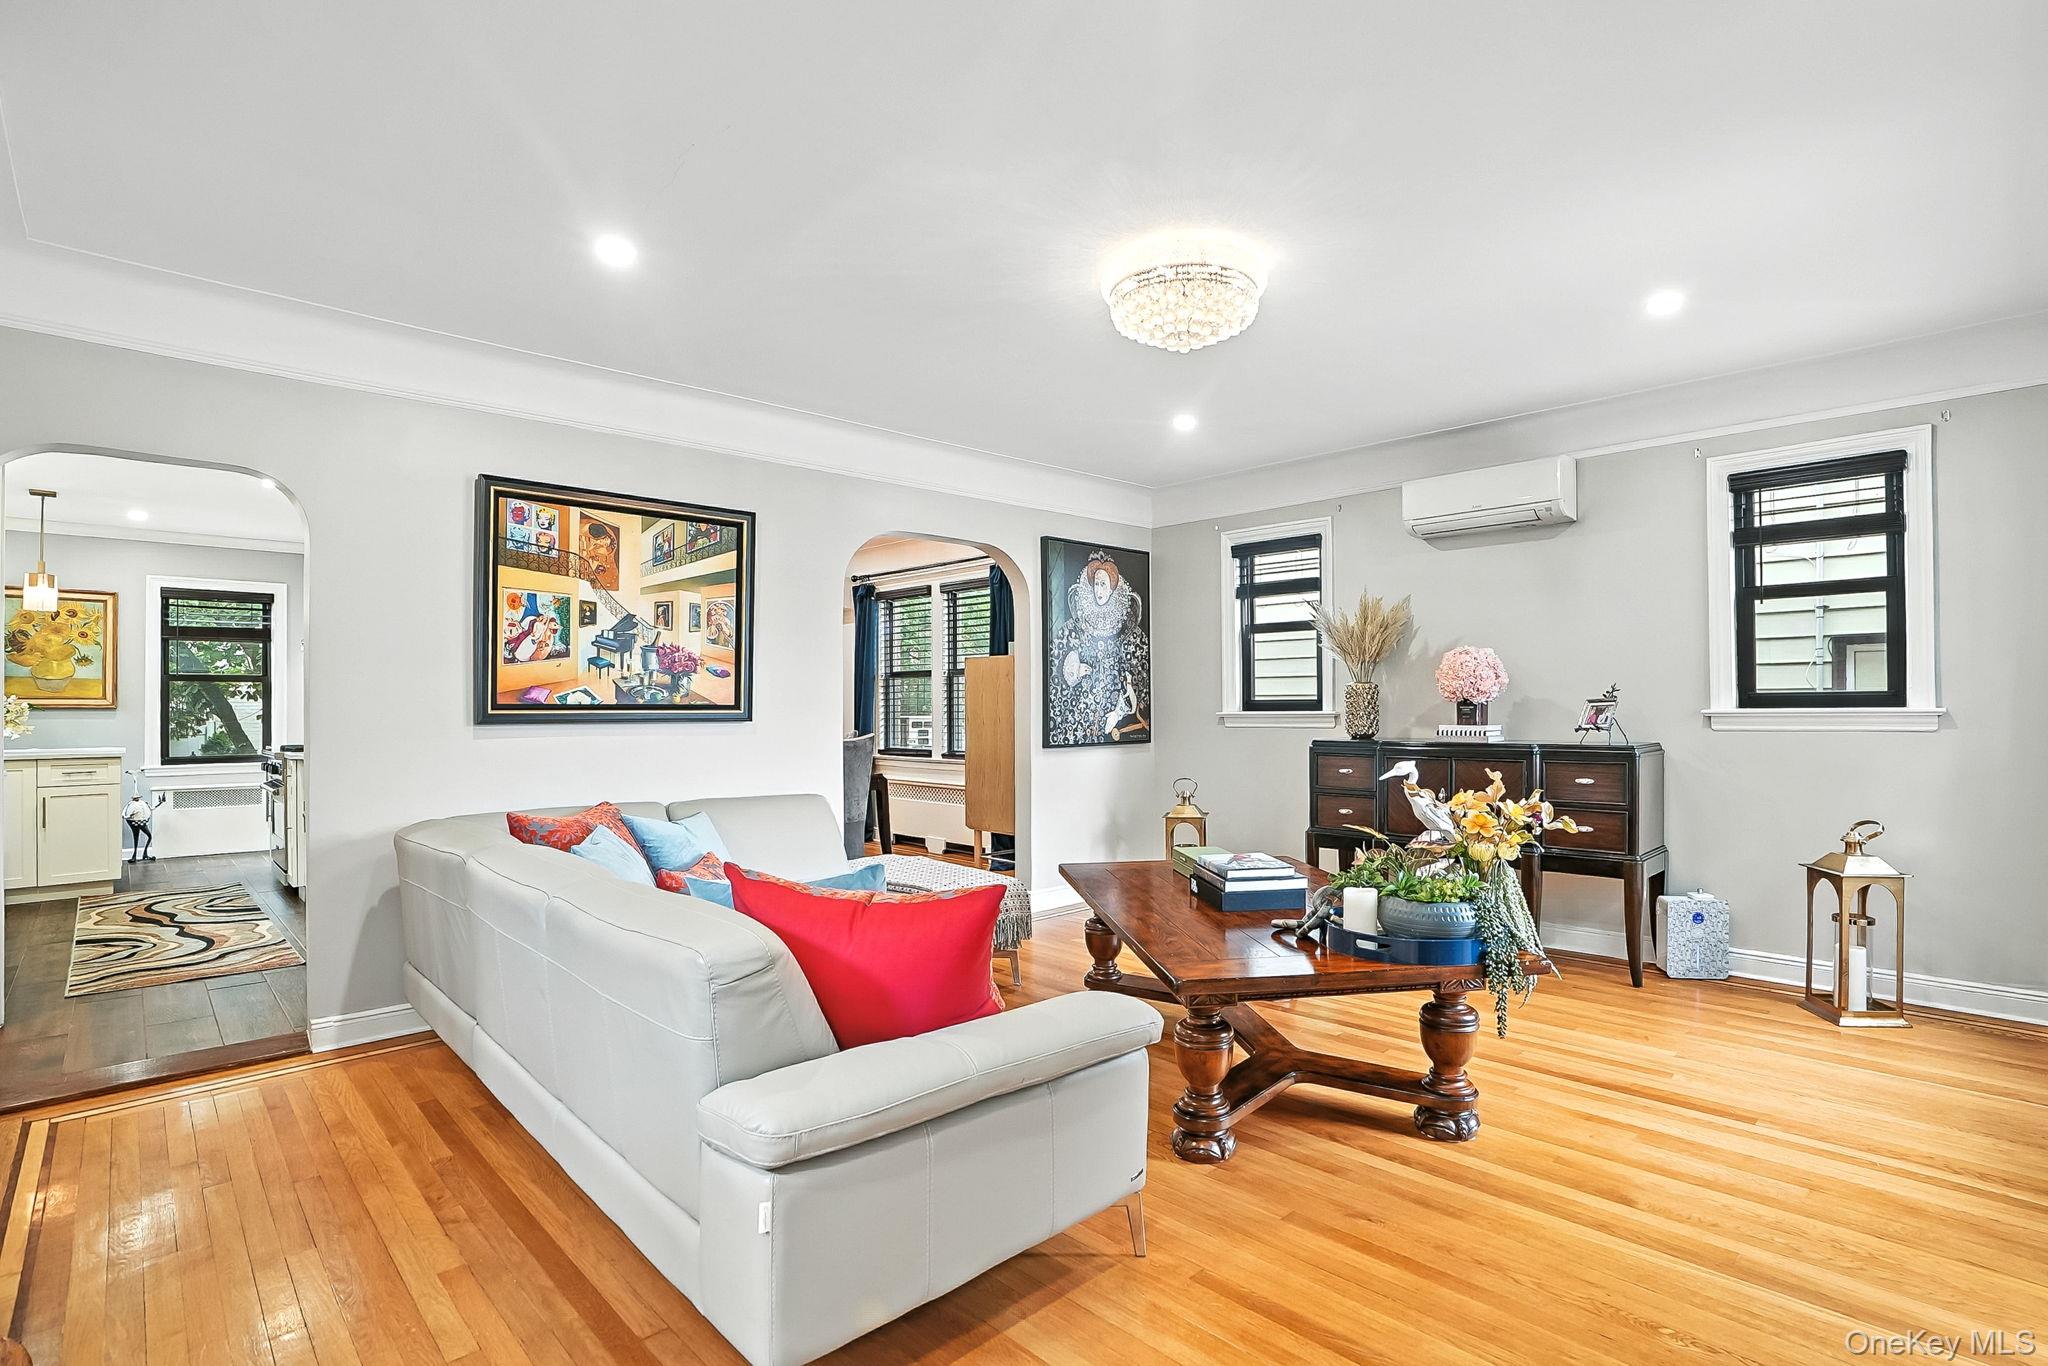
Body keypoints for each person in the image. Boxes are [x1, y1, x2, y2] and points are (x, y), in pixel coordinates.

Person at [1047, 550, 1149, 744]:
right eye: (1096, 584)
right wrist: (1074, 670)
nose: (1099, 590)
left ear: (1112, 588)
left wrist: (1123, 702)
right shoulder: (1074, 627)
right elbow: (1056, 660)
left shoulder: (1126, 629)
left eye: (1104, 585)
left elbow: (1138, 670)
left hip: (1115, 710)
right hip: (1081, 710)